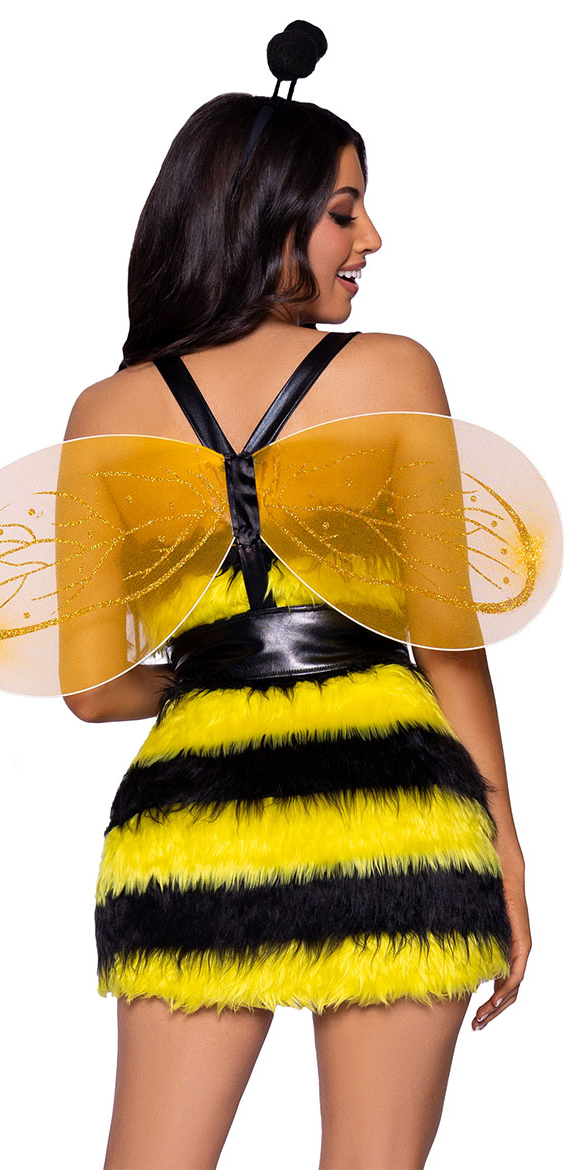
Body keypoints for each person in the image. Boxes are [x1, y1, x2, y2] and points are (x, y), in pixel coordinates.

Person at [59, 30, 532, 1169]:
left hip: (194, 823)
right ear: (264, 218)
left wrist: (219, 674)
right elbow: (447, 642)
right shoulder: (393, 372)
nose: (370, 238)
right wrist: (505, 842)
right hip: (395, 814)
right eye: (342, 211)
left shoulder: (103, 413)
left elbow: (89, 691)